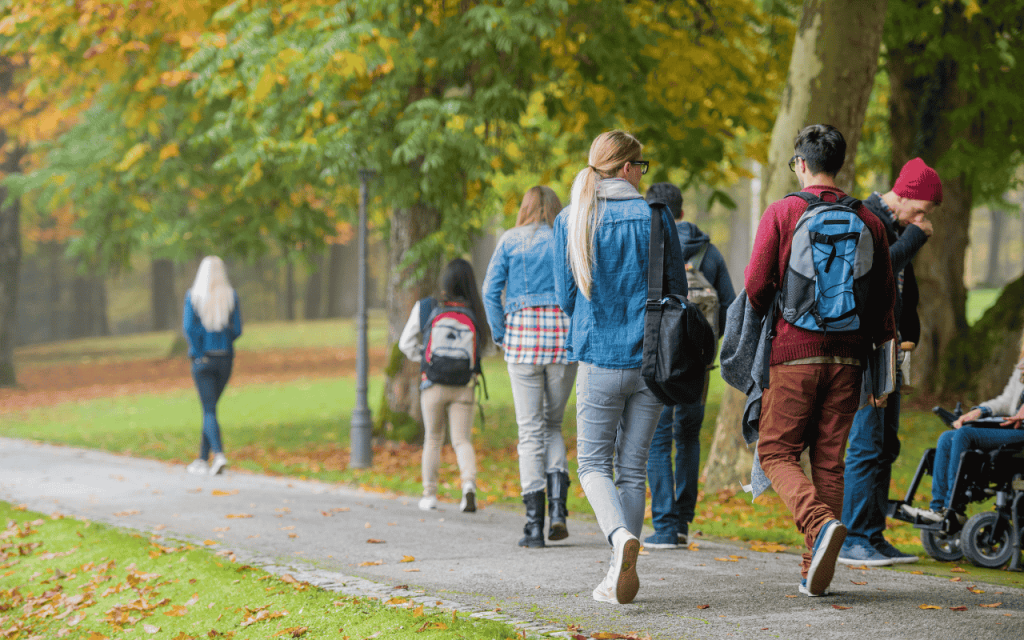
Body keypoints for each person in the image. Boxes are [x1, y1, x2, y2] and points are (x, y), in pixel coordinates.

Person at [744, 124, 896, 597]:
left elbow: (754, 284)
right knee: (830, 461)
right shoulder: (871, 221)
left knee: (775, 451)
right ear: (840, 165)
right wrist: (880, 368)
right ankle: (816, 566)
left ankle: (818, 522)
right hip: (850, 357)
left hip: (794, 353)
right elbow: (884, 301)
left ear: (801, 163)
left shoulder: (785, 211)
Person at [553, 130, 687, 604]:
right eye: (642, 166)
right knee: (632, 469)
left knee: (592, 464)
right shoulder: (657, 216)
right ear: (628, 168)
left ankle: (618, 541)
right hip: (652, 362)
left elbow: (566, 297)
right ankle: (618, 569)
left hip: (599, 357)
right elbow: (677, 291)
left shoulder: (572, 219)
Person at [839, 158, 941, 567]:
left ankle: (874, 534)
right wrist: (915, 235)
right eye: (920, 210)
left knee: (887, 445)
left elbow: (904, 285)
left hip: (893, 348)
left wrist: (910, 331)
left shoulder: (899, 227)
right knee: (866, 443)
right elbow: (877, 272)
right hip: (865, 348)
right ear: (904, 194)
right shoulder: (868, 219)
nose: (923, 220)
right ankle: (852, 539)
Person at [482, 186, 578, 549]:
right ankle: (557, 513)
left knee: (529, 431)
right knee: (552, 425)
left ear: (524, 208)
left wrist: (501, 335)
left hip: (522, 343)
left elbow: (491, 291)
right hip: (562, 342)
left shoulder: (510, 240)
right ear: (554, 208)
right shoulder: (566, 239)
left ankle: (534, 527)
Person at [642, 183, 736, 549]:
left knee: (658, 439)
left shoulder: (651, 243)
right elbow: (728, 303)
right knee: (689, 437)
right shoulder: (708, 251)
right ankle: (682, 522)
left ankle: (664, 527)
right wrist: (706, 348)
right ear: (680, 212)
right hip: (698, 365)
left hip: (661, 361)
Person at [398, 258, 491, 513]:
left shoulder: (426, 307)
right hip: (464, 386)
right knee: (462, 440)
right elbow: (488, 349)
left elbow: (405, 344)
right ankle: (468, 487)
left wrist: (426, 359)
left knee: (433, 439)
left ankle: (429, 495)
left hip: (433, 385)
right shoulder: (476, 312)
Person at [903, 327, 1024, 522]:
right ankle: (938, 508)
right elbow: (1006, 400)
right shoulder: (1022, 365)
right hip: (1010, 426)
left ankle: (954, 507)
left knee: (963, 435)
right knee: (947, 437)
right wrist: (979, 411)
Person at [183, 256, 242, 476]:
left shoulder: (194, 296)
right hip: (225, 358)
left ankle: (217, 454)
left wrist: (199, 351)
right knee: (211, 409)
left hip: (203, 359)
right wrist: (224, 341)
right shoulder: (230, 297)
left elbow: (189, 327)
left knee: (209, 409)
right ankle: (201, 459)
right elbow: (237, 329)